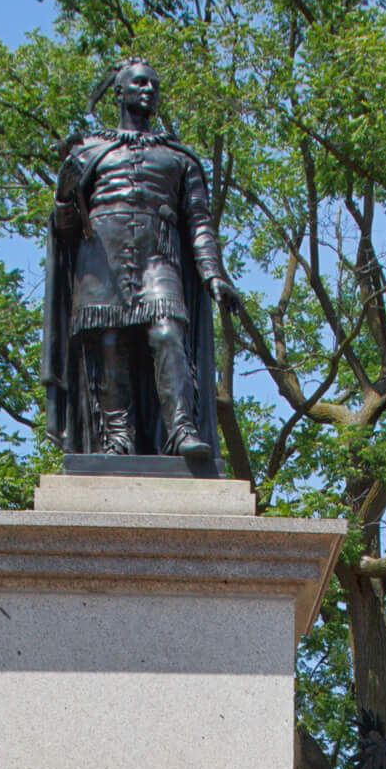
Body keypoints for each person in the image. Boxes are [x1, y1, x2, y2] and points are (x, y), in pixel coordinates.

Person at [43, 58, 241, 467]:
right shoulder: (89, 152)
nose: (148, 89)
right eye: (139, 83)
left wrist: (213, 275)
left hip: (158, 257)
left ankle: (182, 429)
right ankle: (117, 439)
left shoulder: (180, 159)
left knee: (168, 334)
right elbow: (65, 228)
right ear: (119, 91)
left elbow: (199, 224)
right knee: (109, 346)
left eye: (154, 83)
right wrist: (64, 194)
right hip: (99, 260)